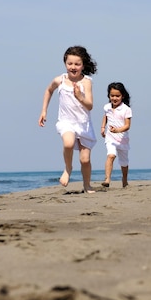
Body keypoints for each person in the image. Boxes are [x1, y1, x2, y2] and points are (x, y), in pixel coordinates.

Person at [38, 46, 98, 194]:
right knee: (68, 142)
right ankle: (68, 168)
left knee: (85, 160)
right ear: (65, 63)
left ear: (83, 65)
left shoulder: (86, 82)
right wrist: (44, 111)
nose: (73, 67)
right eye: (70, 63)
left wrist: (80, 97)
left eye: (77, 64)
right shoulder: (60, 80)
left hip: (83, 124)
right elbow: (48, 90)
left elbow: (90, 106)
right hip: (66, 121)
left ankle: (87, 185)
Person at [100, 82, 132, 188]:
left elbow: (127, 126)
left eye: (117, 96)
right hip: (110, 138)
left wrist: (118, 130)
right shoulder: (107, 107)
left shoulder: (126, 109)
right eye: (112, 95)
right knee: (111, 155)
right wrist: (103, 128)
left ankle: (125, 180)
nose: (114, 98)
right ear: (109, 96)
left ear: (122, 96)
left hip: (122, 139)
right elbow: (105, 117)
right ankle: (107, 179)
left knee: (124, 162)